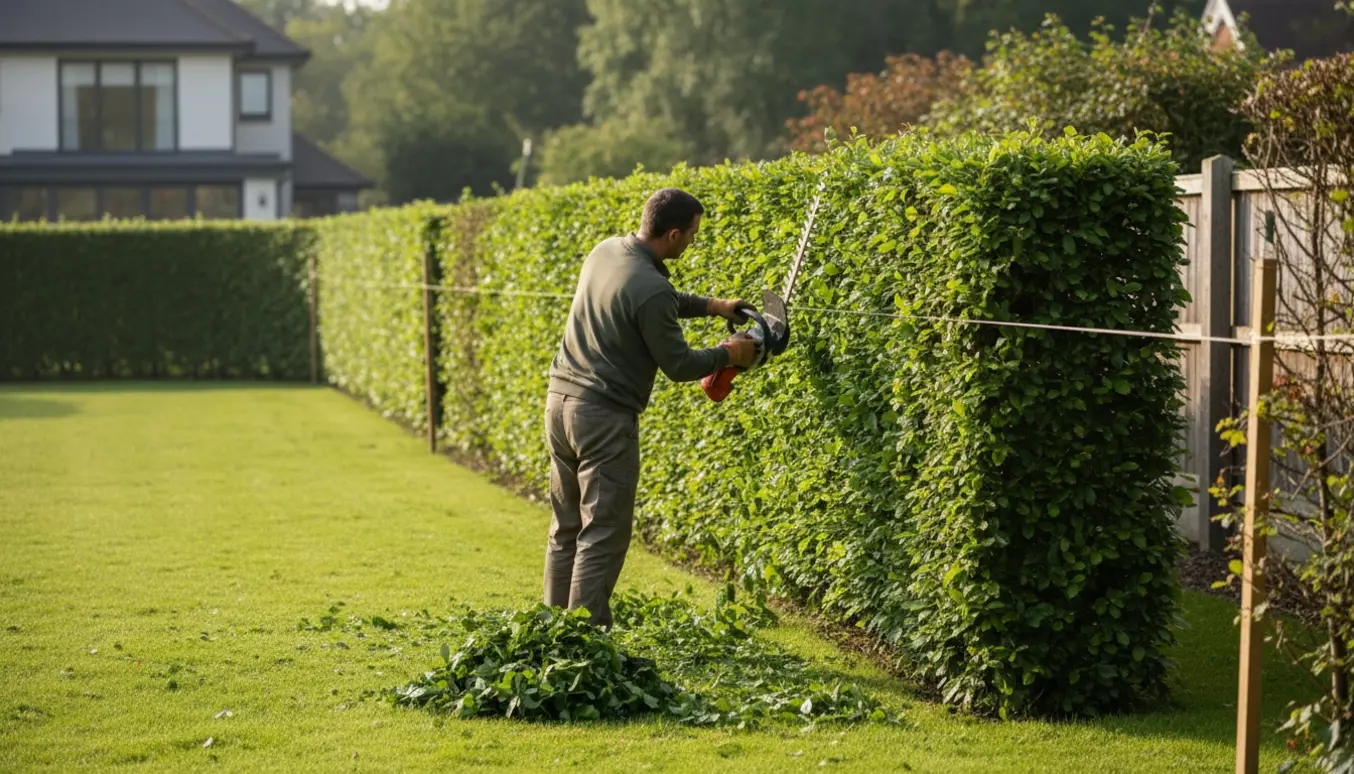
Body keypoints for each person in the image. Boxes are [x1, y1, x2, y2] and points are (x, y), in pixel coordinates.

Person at [543, 187, 757, 629]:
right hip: (601, 417)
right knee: (602, 533)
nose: (694, 242)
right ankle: (585, 646)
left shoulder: (606, 252)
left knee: (566, 528)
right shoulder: (650, 287)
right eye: (693, 235)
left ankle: (550, 632)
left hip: (559, 403)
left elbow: (655, 299)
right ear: (673, 234)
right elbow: (678, 364)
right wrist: (729, 356)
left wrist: (713, 306)